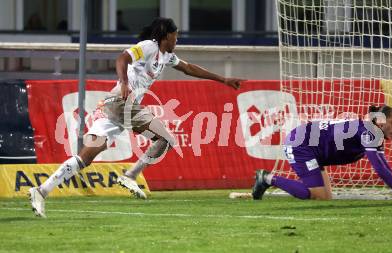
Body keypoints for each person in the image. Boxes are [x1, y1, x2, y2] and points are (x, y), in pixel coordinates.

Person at [29, 17, 245, 218]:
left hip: (114, 111)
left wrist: (223, 79)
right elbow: (122, 58)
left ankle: (41, 190)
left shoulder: (167, 56)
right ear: (166, 35)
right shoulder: (148, 47)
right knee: (167, 140)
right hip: (123, 102)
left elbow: (188, 68)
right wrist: (123, 81)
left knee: (85, 158)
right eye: (175, 35)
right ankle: (130, 176)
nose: (177, 39)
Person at [252, 105, 392, 201]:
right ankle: (267, 178)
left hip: (312, 148)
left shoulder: (370, 131)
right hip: (301, 145)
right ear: (381, 122)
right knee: (317, 195)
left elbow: (384, 168)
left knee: (325, 198)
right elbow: (382, 170)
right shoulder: (370, 132)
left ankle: (266, 180)